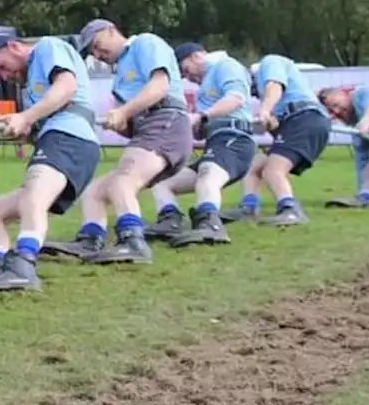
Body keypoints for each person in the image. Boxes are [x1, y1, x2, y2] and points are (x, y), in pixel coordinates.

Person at [0, 34, 101, 292]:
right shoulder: (31, 82)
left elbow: (67, 87)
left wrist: (28, 116)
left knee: (33, 197)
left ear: (13, 46)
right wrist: (27, 129)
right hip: (56, 140)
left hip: (70, 138)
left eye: (1, 66)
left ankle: (23, 264)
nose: (4, 75)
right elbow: (44, 115)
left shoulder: (47, 47)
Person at [43, 19, 192, 265]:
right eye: (92, 52)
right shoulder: (120, 76)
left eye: (98, 45)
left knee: (123, 181)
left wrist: (124, 112)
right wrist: (124, 124)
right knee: (95, 192)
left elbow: (160, 86)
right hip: (151, 127)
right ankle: (90, 239)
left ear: (111, 30)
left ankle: (133, 241)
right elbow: (132, 122)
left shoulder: (145, 43)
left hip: (166, 121)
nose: (98, 54)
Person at [142, 43, 255, 247]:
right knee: (161, 181)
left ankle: (210, 225)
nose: (187, 77)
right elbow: (204, 124)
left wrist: (203, 116)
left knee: (208, 174)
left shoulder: (225, 66)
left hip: (234, 137)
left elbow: (236, 99)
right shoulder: (206, 83)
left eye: (185, 69)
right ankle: (170, 221)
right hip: (217, 140)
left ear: (196, 56)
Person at [219, 55, 330, 226]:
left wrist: (265, 110)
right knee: (253, 166)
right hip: (295, 122)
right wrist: (271, 124)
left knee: (273, 170)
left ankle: (290, 210)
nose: (255, 93)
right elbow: (276, 123)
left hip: (304, 118)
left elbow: (274, 86)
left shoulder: (269, 63)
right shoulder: (277, 98)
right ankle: (248, 207)